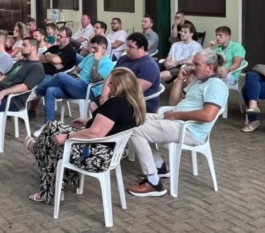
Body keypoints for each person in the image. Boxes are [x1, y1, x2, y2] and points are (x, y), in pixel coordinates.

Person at [27, 67, 145, 204]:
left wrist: (68, 136)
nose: (108, 85)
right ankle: (54, 172)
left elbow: (94, 133)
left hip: (94, 155)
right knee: (53, 126)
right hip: (109, 152)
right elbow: (110, 125)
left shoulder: (115, 103)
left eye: (111, 83)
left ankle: (48, 188)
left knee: (51, 143)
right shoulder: (132, 104)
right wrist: (89, 121)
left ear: (120, 86)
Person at [127, 49, 228, 197]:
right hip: (177, 121)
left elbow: (208, 115)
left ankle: (153, 182)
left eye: (197, 64)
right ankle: (159, 167)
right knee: (133, 119)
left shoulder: (215, 85)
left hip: (189, 130)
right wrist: (180, 80)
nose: (192, 67)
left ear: (210, 68)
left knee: (135, 130)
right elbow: (173, 102)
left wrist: (176, 115)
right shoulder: (199, 82)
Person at [35, 35, 115, 129]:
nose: (92, 50)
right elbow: (76, 70)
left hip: (89, 91)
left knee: (61, 76)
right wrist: (74, 76)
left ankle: (39, 91)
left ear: (103, 48)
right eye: (91, 47)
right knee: (50, 91)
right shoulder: (89, 56)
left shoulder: (108, 63)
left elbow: (94, 79)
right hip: (77, 85)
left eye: (95, 48)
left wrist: (96, 61)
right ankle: (48, 126)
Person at [113, 33, 162, 113]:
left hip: (139, 102)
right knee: (94, 103)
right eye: (127, 46)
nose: (127, 49)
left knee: (107, 109)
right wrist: (105, 94)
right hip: (119, 95)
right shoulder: (123, 59)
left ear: (141, 48)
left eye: (131, 47)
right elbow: (111, 77)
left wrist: (112, 95)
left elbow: (134, 90)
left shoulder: (149, 66)